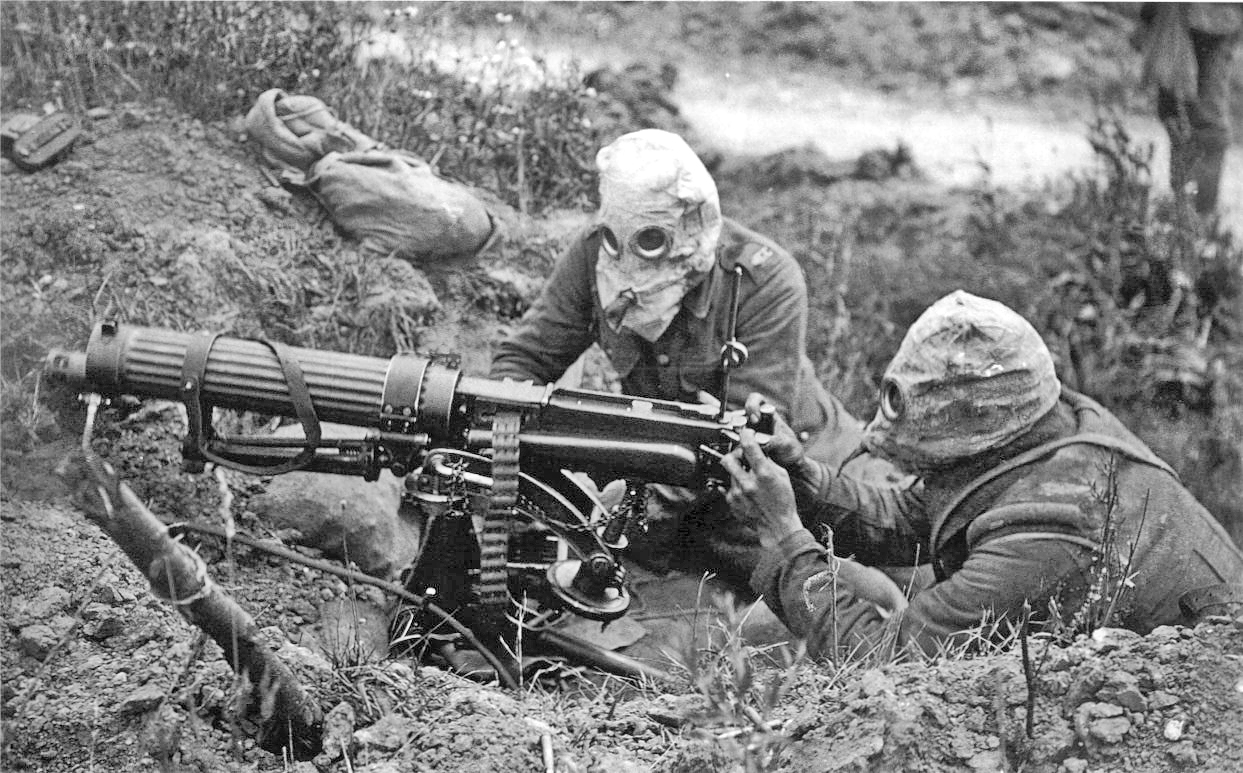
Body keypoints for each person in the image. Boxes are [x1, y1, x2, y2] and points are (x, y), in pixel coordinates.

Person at [721, 290, 1243, 658]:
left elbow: (883, 661)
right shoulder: (1046, 424)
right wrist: (806, 479)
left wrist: (785, 537)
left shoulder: (1051, 528)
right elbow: (919, 515)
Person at [489, 128, 886, 589]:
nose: (630, 260)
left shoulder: (764, 281)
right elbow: (524, 360)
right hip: (682, 482)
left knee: (891, 584)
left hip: (797, 471)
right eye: (622, 239)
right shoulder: (594, 256)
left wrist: (625, 504)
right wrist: (513, 457)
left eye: (653, 239)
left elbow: (746, 443)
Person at [1135, 3, 1243, 215]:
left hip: (1207, 18)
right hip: (1186, 15)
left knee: (1199, 116)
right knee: (1177, 110)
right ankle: (1185, 213)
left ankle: (1198, 216)